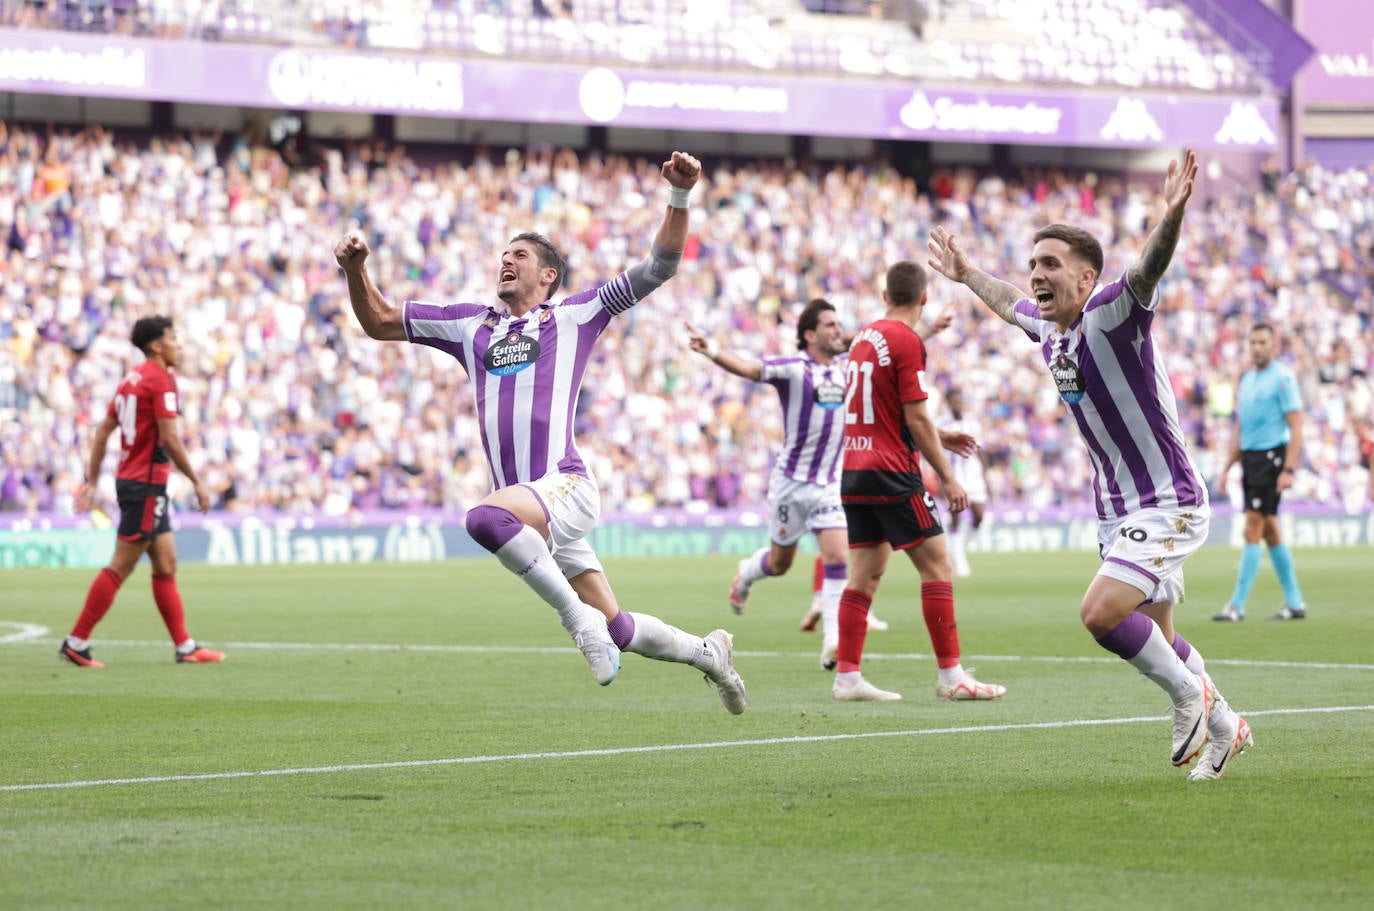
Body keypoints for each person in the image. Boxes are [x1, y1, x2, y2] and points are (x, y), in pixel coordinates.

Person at [334, 150, 746, 714]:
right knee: (618, 627)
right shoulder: (467, 324)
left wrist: (679, 195)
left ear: (548, 275)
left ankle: (576, 621)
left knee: (484, 518)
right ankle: (708, 654)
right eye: (503, 256)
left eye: (520, 256)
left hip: (563, 486)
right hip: (536, 513)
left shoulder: (575, 315)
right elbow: (379, 322)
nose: (506, 262)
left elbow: (659, 267)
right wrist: (356, 270)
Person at [927, 148, 1252, 780]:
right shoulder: (1049, 330)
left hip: (1167, 500)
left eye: (1051, 264)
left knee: (1101, 614)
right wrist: (967, 273)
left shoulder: (1113, 311)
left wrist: (1173, 215)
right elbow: (1006, 301)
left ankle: (1191, 697)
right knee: (1162, 635)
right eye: (1033, 264)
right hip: (1117, 508)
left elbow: (1149, 268)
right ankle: (1227, 728)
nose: (1037, 275)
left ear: (1086, 277)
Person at [831, 260, 1006, 703]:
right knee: (938, 566)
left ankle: (848, 677)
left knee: (865, 575)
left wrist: (940, 435)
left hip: (853, 471)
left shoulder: (863, 339)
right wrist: (947, 477)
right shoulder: (907, 341)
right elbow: (912, 414)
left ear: (885, 295)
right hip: (892, 472)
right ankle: (951, 676)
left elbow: (887, 412)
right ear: (924, 298)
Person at [686, 298, 855, 671]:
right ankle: (747, 572)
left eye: (838, 325)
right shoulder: (794, 369)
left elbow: (883, 342)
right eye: (829, 325)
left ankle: (832, 642)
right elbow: (750, 368)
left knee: (838, 557)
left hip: (828, 483)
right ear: (809, 334)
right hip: (791, 485)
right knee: (780, 564)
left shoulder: (848, 368)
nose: (837, 331)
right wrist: (712, 349)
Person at [58, 316, 225, 668]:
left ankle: (185, 647)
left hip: (136, 482)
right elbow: (169, 437)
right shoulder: (161, 381)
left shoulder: (129, 380)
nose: (178, 344)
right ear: (156, 346)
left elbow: (103, 432)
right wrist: (196, 480)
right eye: (172, 338)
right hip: (146, 485)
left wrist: (91, 481)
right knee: (121, 565)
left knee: (166, 563)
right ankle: (76, 641)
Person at [1214, 323, 1307, 622]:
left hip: (1272, 457)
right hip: (1251, 460)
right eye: (1252, 341)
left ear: (1274, 344)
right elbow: (1241, 427)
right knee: (1269, 529)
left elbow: (1296, 426)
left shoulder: (1283, 378)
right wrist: (1227, 467)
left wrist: (1289, 468)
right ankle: (1295, 603)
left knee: (1252, 525)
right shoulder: (1247, 380)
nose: (1256, 347)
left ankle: (1236, 606)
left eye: (1262, 342)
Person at [943, 387, 989, 578]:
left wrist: (986, 475)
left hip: (973, 475)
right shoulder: (942, 423)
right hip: (955, 476)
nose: (958, 403)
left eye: (960, 400)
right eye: (954, 400)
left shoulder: (972, 422)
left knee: (979, 516)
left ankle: (959, 548)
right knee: (956, 515)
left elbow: (980, 449)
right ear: (948, 402)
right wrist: (943, 480)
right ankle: (959, 559)